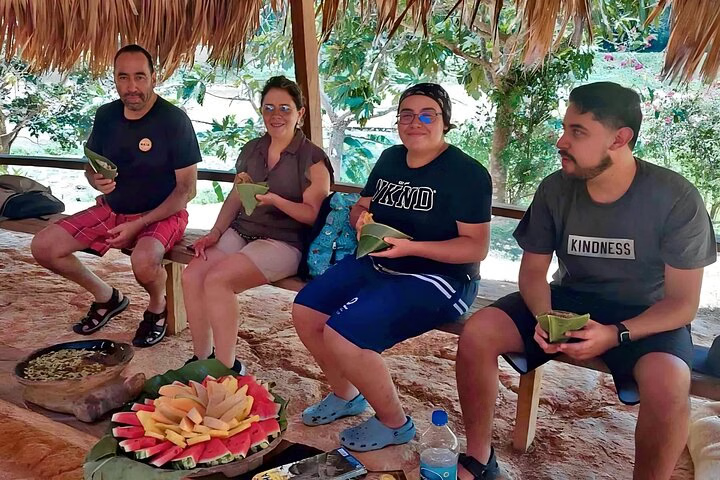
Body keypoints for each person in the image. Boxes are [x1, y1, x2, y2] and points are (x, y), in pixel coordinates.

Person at [455, 82, 717, 480]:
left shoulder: (674, 197)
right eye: (564, 128)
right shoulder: (556, 188)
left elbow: (682, 304)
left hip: (645, 314)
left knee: (669, 382)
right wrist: (546, 318)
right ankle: (478, 459)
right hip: (569, 299)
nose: (561, 141)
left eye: (577, 131)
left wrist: (616, 334)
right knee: (478, 332)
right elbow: (532, 272)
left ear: (620, 138)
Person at [292, 83, 492, 452]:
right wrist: (360, 219)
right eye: (406, 114)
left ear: (445, 122)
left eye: (427, 114)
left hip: (441, 277)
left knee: (344, 334)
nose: (416, 122)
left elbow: (475, 247)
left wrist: (413, 248)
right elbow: (363, 205)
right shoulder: (389, 158)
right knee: (305, 310)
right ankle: (346, 393)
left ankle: (394, 422)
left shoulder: (467, 173)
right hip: (381, 260)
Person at [31, 44, 200, 348]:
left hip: (164, 211)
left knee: (144, 261)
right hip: (113, 208)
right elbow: (92, 165)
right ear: (114, 78)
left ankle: (157, 306)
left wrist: (138, 225)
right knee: (44, 246)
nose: (132, 87)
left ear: (154, 77)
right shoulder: (106, 115)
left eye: (139, 77)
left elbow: (186, 190)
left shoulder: (174, 120)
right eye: (123, 77)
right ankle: (107, 297)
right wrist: (94, 180)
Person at [181, 76, 332, 371]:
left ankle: (225, 367)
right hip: (244, 230)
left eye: (285, 109)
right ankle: (201, 359)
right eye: (269, 108)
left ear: (300, 113)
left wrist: (276, 200)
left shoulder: (312, 159)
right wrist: (214, 232)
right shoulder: (253, 149)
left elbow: (313, 214)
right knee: (192, 275)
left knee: (218, 280)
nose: (276, 115)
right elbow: (237, 196)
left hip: (285, 242)